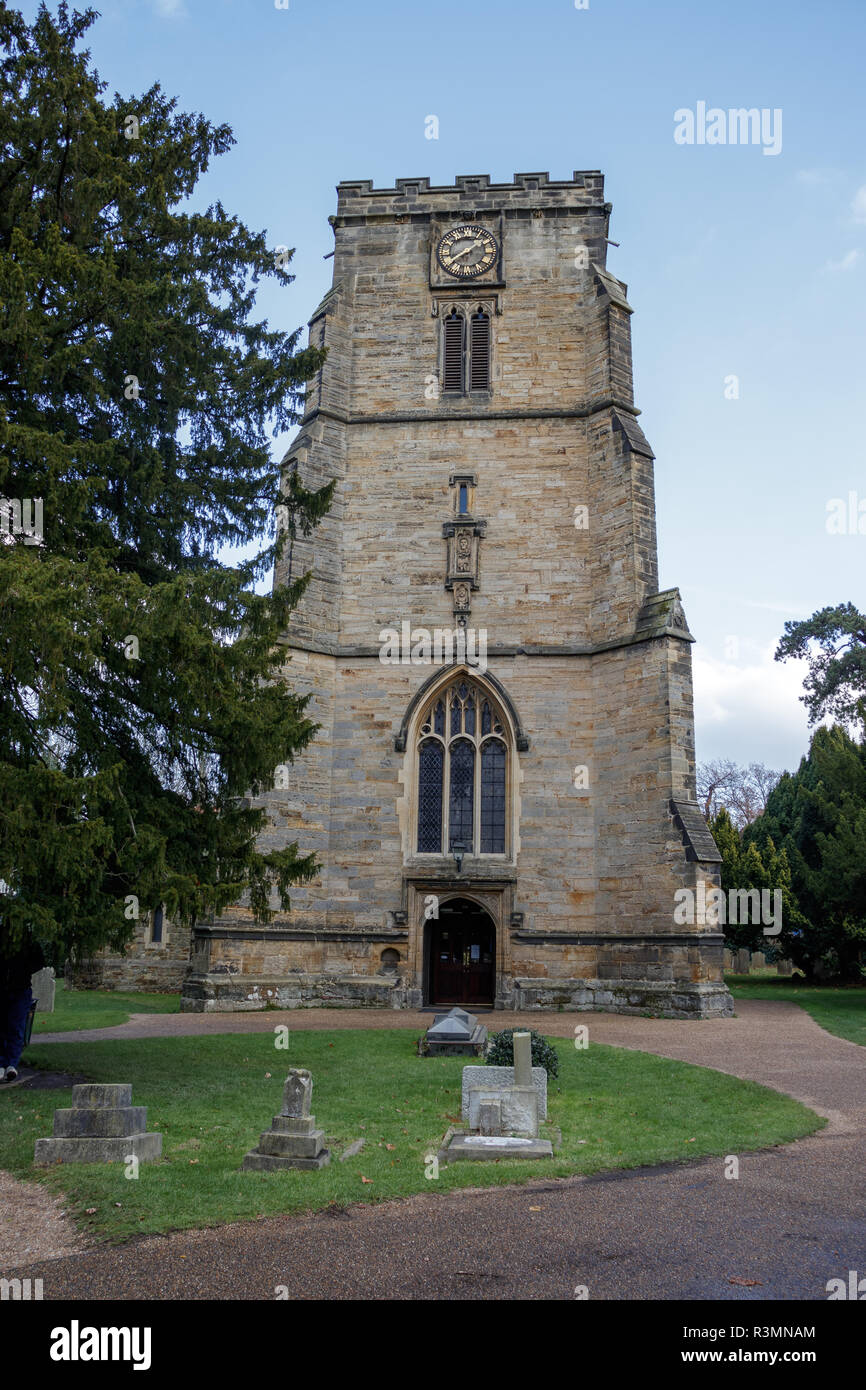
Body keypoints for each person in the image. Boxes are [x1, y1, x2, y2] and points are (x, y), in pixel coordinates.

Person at [0, 934, 45, 1083]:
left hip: (20, 988)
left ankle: (11, 1064)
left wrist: (24, 970)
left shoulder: (27, 940)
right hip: (4, 987)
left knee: (17, 1026)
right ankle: (1, 1064)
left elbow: (38, 961)